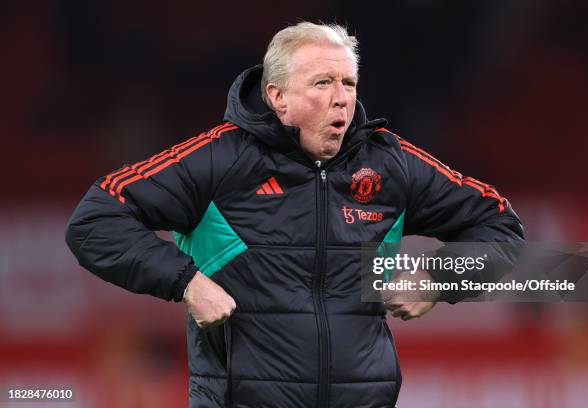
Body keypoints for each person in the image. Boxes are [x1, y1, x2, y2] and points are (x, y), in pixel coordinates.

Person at [65, 22, 524, 407]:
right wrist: (185, 281)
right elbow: (95, 221)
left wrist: (439, 280)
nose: (341, 98)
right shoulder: (217, 160)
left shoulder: (391, 165)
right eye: (323, 83)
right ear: (277, 96)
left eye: (348, 83)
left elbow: (504, 231)